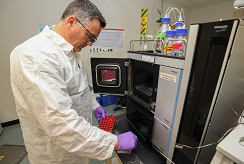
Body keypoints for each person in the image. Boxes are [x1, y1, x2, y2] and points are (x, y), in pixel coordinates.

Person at [10, 0, 138, 163]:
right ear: (71, 22)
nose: (90, 43)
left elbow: (81, 87)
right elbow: (60, 124)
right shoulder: (36, 57)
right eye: (90, 36)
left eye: (94, 39)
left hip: (78, 144)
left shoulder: (72, 54)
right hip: (56, 155)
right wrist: (116, 142)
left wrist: (94, 105)